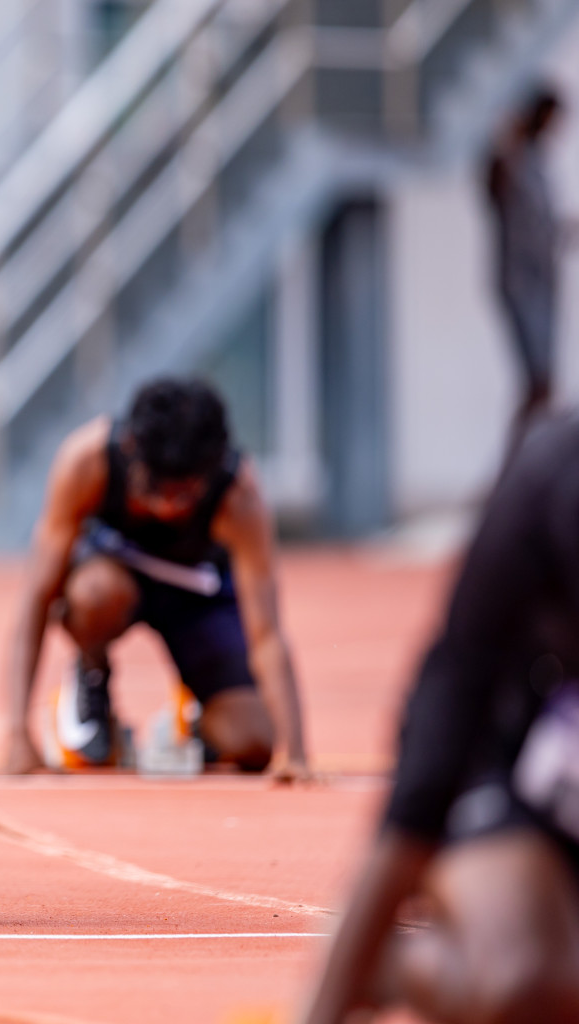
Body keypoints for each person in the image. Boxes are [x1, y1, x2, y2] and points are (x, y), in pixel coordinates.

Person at [304, 413, 579, 1023]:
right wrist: (326, 1002)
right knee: (528, 985)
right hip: (516, 751)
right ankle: (397, 967)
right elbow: (435, 758)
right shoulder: (547, 479)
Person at [0, 378, 308, 777]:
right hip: (112, 583)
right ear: (130, 449)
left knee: (255, 743)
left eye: (186, 493)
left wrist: (294, 752)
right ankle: (92, 676)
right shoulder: (86, 460)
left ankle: (191, 722)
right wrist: (18, 734)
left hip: (195, 597)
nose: (168, 507)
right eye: (155, 488)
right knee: (94, 594)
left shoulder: (238, 493)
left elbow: (267, 634)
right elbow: (36, 598)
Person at [485, 86, 570, 447]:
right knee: (537, 383)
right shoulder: (510, 160)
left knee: (545, 382)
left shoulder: (538, 163)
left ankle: (527, 461)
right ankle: (518, 466)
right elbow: (496, 188)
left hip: (545, 280)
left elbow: (543, 225)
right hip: (521, 282)